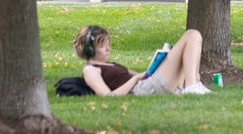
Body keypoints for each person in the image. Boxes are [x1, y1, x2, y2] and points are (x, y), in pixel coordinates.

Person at [74, 25, 212, 96]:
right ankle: (192, 87)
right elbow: (109, 97)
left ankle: (192, 82)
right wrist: (135, 79)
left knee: (194, 36)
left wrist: (154, 66)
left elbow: (140, 75)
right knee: (191, 35)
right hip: (141, 89)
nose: (108, 49)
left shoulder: (108, 64)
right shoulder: (90, 70)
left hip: (146, 83)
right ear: (90, 49)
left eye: (108, 44)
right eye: (102, 46)